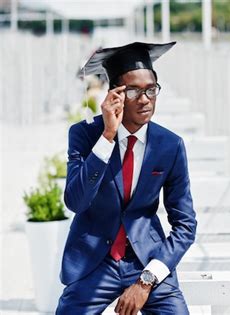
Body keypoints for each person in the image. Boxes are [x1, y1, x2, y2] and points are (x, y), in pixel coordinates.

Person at [56, 42, 197, 315]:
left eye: (151, 90)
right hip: (95, 262)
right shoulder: (84, 135)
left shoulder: (170, 145)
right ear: (115, 95)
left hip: (146, 260)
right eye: (133, 91)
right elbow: (76, 201)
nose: (145, 99)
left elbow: (186, 225)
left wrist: (146, 281)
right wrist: (107, 137)